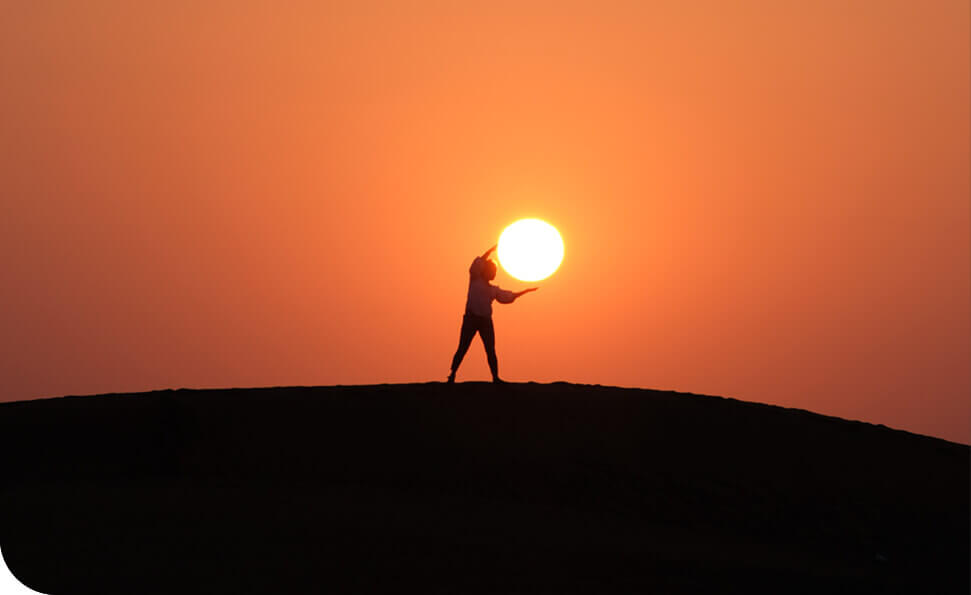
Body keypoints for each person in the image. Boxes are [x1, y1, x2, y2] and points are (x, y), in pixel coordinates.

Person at [447, 244, 537, 384]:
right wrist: (490, 251)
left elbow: (507, 296)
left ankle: (495, 377)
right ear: (486, 271)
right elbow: (478, 263)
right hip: (471, 319)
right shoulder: (475, 279)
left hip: (485, 321)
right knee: (463, 347)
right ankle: (452, 375)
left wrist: (524, 292)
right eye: (493, 271)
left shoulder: (493, 290)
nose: (494, 274)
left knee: (490, 350)